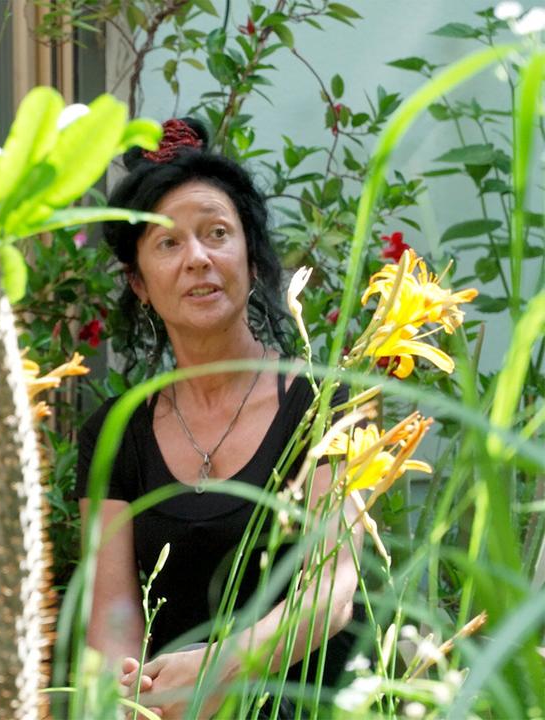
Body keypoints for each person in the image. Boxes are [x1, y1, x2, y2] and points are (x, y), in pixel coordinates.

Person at [76, 118, 361, 718]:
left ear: (252, 262)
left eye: (217, 234)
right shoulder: (114, 433)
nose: (198, 258)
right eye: (168, 243)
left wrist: (218, 667)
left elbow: (331, 591)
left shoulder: (325, 405)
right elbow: (112, 621)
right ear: (140, 283)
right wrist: (130, 702)